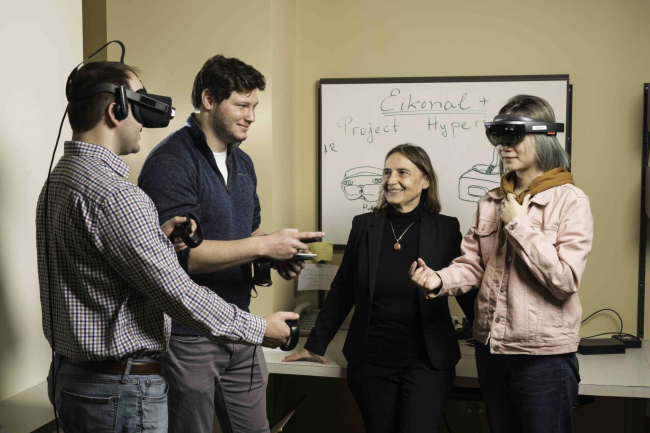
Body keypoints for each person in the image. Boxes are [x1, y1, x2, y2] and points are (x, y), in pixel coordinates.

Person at [37, 61, 297, 433]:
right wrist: (258, 328)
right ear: (117, 109)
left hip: (78, 380)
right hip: (122, 389)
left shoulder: (58, 182)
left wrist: (155, 236)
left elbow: (108, 262)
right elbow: (175, 291)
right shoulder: (118, 195)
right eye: (140, 104)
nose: (144, 119)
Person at [138, 54, 323, 433]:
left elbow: (247, 236)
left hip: (244, 328)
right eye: (241, 104)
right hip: (190, 338)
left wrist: (275, 255)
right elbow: (178, 258)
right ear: (208, 100)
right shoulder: (171, 162)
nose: (251, 115)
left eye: (254, 106)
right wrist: (264, 246)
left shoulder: (244, 164)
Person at [410, 95, 593, 433]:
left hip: (543, 359)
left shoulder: (571, 201)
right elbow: (473, 266)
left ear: (542, 136)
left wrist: (519, 225)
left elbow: (565, 280)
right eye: (498, 137)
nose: (503, 147)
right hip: (492, 352)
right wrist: (438, 280)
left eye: (513, 137)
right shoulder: (491, 201)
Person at [283, 144, 476, 433]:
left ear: (425, 181)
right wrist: (314, 345)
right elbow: (343, 289)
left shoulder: (446, 228)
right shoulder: (364, 226)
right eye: (387, 172)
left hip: (427, 360)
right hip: (371, 360)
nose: (391, 179)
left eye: (402, 172)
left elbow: (466, 285)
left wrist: (492, 339)